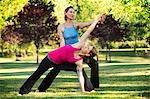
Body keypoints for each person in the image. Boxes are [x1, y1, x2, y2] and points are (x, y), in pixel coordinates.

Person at [19, 14, 105, 95]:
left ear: (87, 55)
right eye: (88, 46)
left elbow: (80, 76)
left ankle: (89, 88)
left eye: (88, 48)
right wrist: (96, 21)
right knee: (37, 73)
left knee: (80, 71)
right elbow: (88, 31)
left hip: (59, 63)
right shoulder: (78, 45)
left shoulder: (79, 62)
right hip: (50, 59)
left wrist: (83, 90)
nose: (86, 46)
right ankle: (23, 91)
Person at [37, 6, 100, 92]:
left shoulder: (76, 25)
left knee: (94, 63)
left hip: (79, 51)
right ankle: (41, 89)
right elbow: (62, 40)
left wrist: (96, 20)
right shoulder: (61, 27)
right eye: (70, 12)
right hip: (67, 53)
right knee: (56, 69)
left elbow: (87, 24)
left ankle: (93, 86)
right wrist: (61, 53)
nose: (72, 14)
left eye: (74, 12)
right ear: (65, 13)